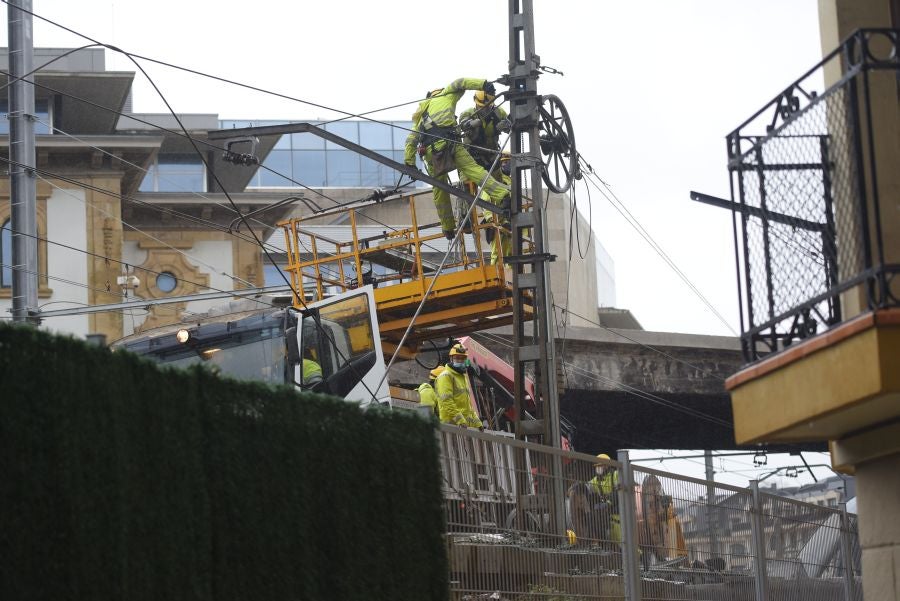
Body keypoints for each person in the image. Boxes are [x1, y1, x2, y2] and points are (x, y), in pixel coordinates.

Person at [404, 79, 510, 240]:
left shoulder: (421, 115)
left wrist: (409, 164)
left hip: (434, 154)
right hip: (453, 145)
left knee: (440, 189)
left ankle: (448, 227)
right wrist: (483, 84)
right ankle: (503, 194)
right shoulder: (447, 95)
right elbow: (461, 82)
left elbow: (411, 140)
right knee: (475, 172)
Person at [459, 90, 510, 176]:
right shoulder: (469, 113)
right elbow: (462, 125)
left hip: (491, 156)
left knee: (497, 186)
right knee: (468, 185)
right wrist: (470, 123)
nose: (485, 109)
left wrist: (505, 126)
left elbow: (511, 127)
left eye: (488, 106)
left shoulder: (499, 112)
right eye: (482, 106)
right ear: (476, 103)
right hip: (471, 156)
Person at [434, 343, 482, 428]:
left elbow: (468, 406)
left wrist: (478, 423)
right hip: (451, 427)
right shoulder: (446, 376)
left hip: (463, 427)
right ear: (451, 359)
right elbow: (446, 401)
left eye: (463, 358)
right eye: (457, 358)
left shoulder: (462, 377)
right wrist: (460, 420)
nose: (460, 361)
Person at [589, 453, 621, 544]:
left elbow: (619, 491)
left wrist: (608, 503)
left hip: (618, 515)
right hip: (606, 515)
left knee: (621, 542)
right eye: (597, 466)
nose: (598, 468)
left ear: (606, 466)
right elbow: (587, 486)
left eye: (600, 466)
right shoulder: (595, 480)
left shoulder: (615, 475)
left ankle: (640, 557)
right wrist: (577, 486)